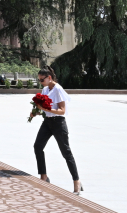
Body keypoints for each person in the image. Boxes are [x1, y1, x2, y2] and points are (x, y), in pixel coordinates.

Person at [34, 65, 82, 195]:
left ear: (49, 78)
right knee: (38, 146)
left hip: (58, 124)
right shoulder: (45, 89)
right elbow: (43, 107)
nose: (40, 82)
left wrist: (47, 110)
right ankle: (44, 176)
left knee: (65, 152)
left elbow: (62, 111)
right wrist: (36, 112)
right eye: (39, 80)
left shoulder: (58, 90)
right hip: (47, 122)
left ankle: (76, 180)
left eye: (42, 80)